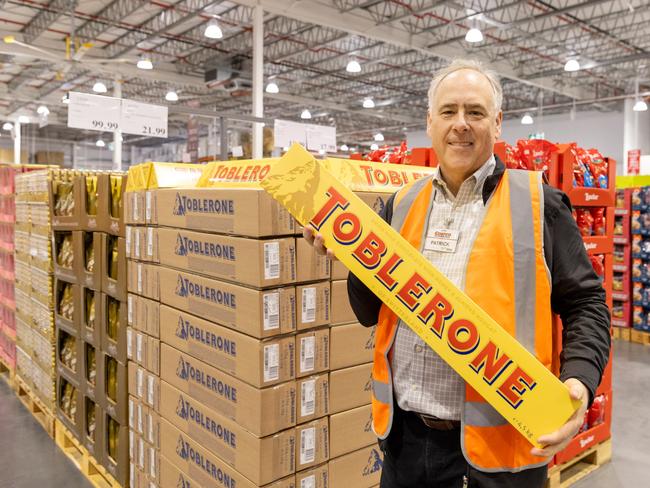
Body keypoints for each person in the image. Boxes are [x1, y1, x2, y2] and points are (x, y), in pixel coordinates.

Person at [304, 58, 610, 488]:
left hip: (500, 459)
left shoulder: (540, 204)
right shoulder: (400, 204)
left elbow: (587, 303)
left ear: (498, 123)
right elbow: (369, 312)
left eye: (475, 112)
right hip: (404, 446)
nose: (461, 124)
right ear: (430, 122)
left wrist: (579, 378)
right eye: (448, 112)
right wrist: (350, 257)